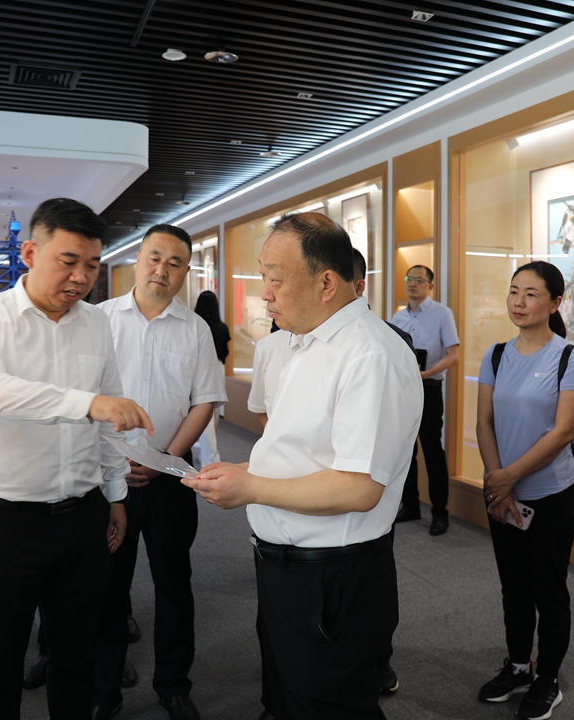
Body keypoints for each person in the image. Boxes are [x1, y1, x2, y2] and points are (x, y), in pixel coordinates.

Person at [185, 212, 422, 720]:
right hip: (287, 567)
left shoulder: (368, 355)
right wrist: (246, 472)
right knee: (288, 697)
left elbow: (359, 488)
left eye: (274, 278)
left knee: (327, 703)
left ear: (326, 284)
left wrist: (251, 488)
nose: (264, 294)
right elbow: (301, 451)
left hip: (331, 577)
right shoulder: (307, 343)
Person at [0, 197, 152, 720]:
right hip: (5, 522)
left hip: (82, 518)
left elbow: (108, 420)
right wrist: (87, 403)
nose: (81, 277)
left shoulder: (96, 324)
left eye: (92, 264)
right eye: (69, 261)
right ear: (30, 253)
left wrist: (115, 496)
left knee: (75, 661)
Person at [93, 223, 228, 720]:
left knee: (174, 584)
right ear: (137, 259)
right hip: (108, 480)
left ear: (186, 271)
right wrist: (114, 463)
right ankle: (103, 690)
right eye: (154, 258)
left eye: (174, 263)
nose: (162, 270)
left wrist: (164, 459)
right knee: (108, 587)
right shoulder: (100, 320)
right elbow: (85, 396)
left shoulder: (196, 330)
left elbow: (203, 402)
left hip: (168, 479)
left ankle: (173, 685)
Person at [475, 261, 574, 720]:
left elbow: (563, 432)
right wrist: (497, 480)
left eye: (531, 294)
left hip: (551, 495)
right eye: (513, 292)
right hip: (502, 494)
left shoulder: (570, 357)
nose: (518, 302)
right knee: (514, 588)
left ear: (555, 303)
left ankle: (548, 678)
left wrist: (508, 477)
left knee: (549, 590)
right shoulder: (495, 354)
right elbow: (484, 422)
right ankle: (519, 666)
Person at [391, 264, 460, 535]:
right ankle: (410, 505)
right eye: (409, 279)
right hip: (404, 389)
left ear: (430, 286)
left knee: (433, 451)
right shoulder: (397, 317)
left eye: (419, 280)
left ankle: (440, 513)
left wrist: (427, 373)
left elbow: (453, 355)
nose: (413, 283)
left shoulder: (442, 314)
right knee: (405, 450)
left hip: (429, 387)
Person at [192, 290, 230, 466]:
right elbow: (225, 353)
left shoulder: (193, 327)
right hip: (218, 369)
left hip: (198, 370)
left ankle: (209, 457)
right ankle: (209, 456)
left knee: (201, 414)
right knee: (212, 415)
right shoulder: (221, 328)